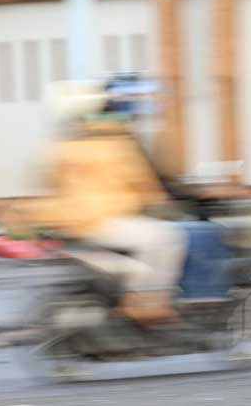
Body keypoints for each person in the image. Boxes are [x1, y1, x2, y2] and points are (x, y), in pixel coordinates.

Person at [21, 80, 188, 327]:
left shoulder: (55, 149)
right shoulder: (112, 144)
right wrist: (160, 201)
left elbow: (46, 184)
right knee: (167, 239)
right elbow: (142, 183)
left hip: (72, 224)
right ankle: (143, 303)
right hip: (103, 222)